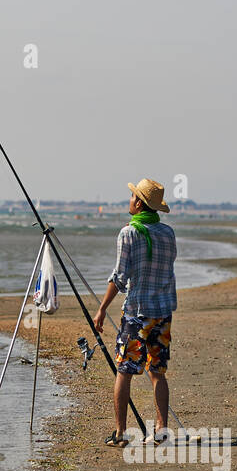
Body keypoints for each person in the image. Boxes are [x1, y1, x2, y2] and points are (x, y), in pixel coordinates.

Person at [94, 178, 177, 447]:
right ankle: (161, 429)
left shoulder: (128, 233)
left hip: (137, 313)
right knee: (158, 372)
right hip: (162, 312)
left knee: (124, 370)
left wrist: (101, 309)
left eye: (132, 197)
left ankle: (120, 433)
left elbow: (119, 277)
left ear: (139, 203)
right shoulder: (168, 234)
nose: (129, 200)